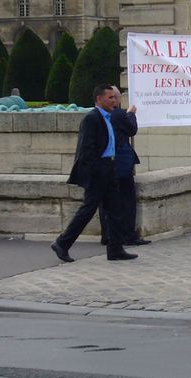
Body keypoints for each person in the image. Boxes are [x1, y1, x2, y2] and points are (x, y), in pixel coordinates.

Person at [50, 85, 134, 262]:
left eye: (114, 97)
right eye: (110, 97)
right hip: (99, 170)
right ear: (98, 99)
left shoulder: (106, 117)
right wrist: (95, 173)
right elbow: (86, 150)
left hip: (109, 168)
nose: (114, 101)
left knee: (115, 210)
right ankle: (62, 243)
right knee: (87, 210)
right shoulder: (92, 118)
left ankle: (115, 249)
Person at [101, 88, 150, 248]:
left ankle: (107, 235)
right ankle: (128, 235)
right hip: (121, 164)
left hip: (107, 164)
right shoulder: (120, 114)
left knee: (106, 202)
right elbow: (131, 129)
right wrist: (131, 114)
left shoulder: (99, 115)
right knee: (127, 200)